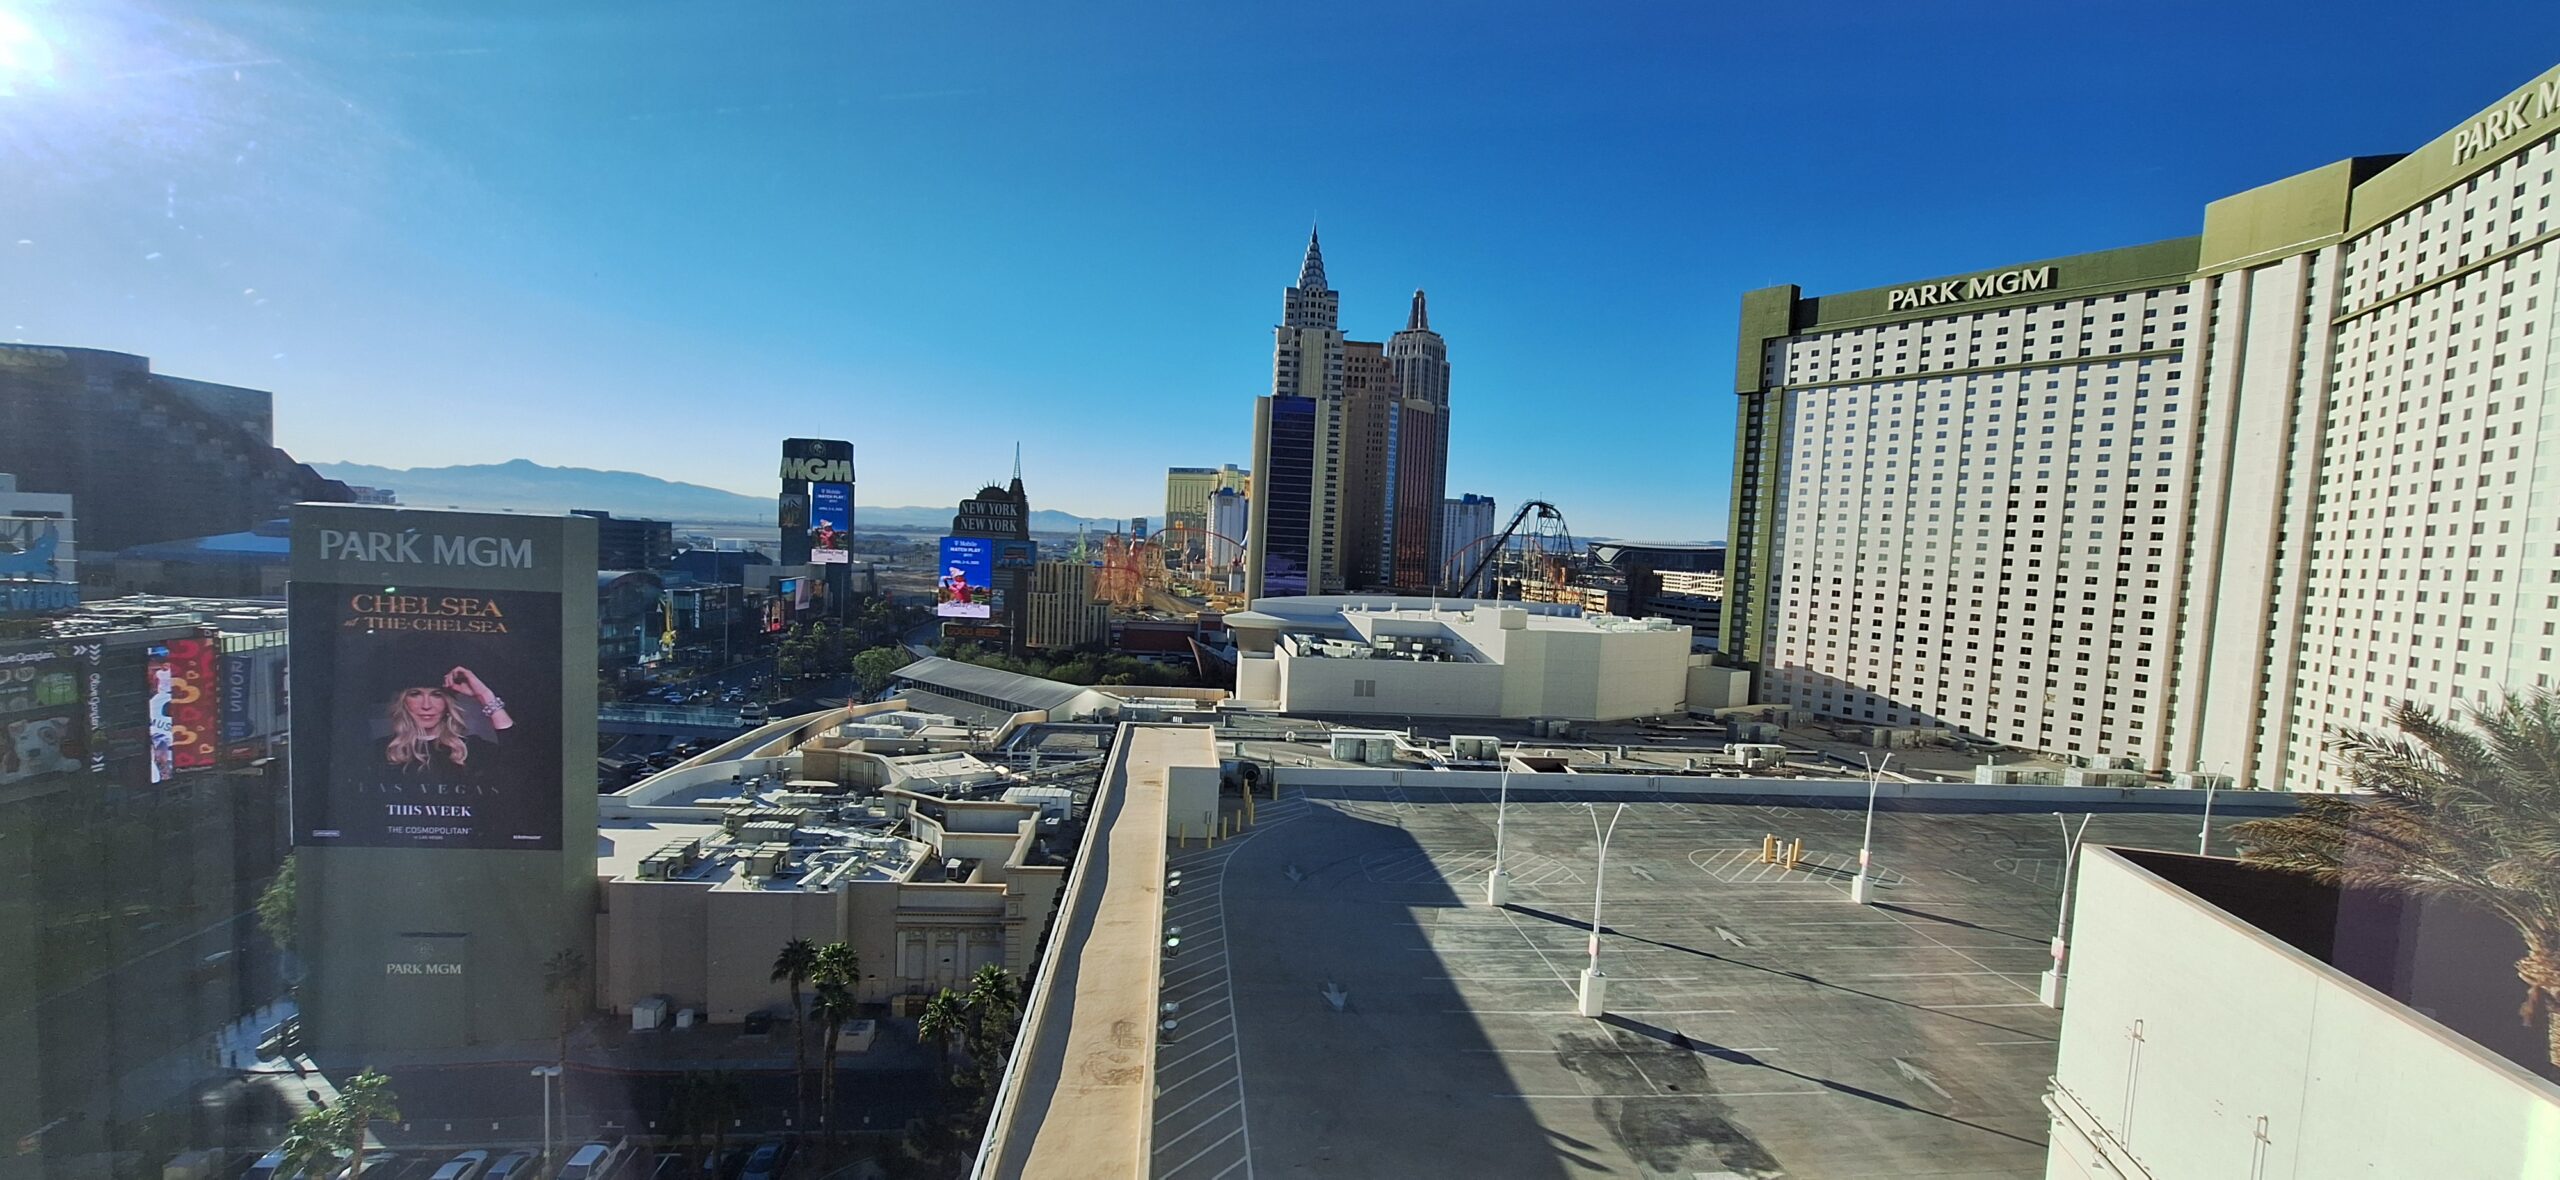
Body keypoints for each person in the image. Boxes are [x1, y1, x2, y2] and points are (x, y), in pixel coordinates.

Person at [382, 666, 514, 785]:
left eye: (437, 695)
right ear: (403, 702)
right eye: (415, 694)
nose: (426, 705)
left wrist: (485, 695)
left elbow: (522, 761)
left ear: (447, 703)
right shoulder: (382, 750)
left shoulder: (472, 748)